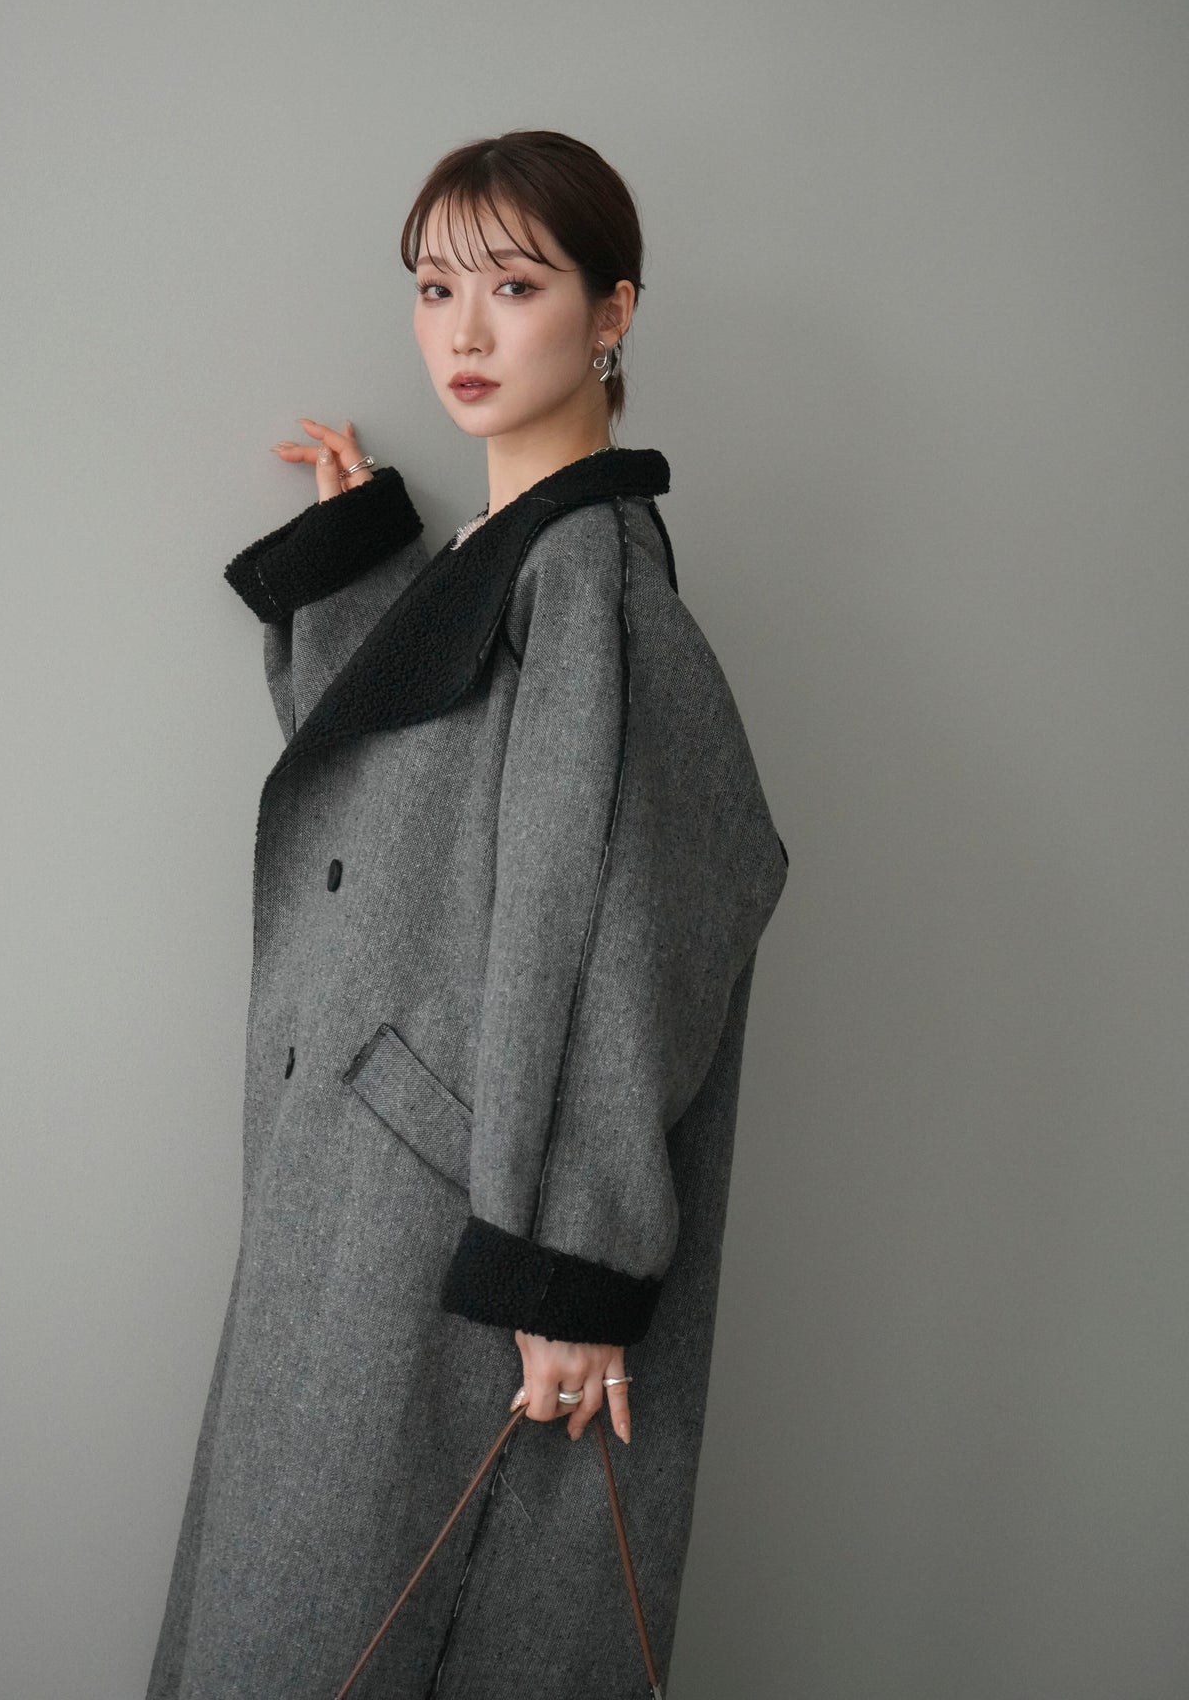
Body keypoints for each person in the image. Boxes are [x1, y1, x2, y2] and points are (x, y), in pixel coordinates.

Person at [147, 129, 788, 1699]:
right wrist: (368, 578)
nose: (466, 330)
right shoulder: (505, 564)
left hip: (459, 1245)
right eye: (436, 289)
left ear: (611, 312)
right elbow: (402, 820)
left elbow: (641, 932)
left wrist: (570, 1270)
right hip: (366, 1208)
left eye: (515, 285)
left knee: (352, 1636)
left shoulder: (600, 592)